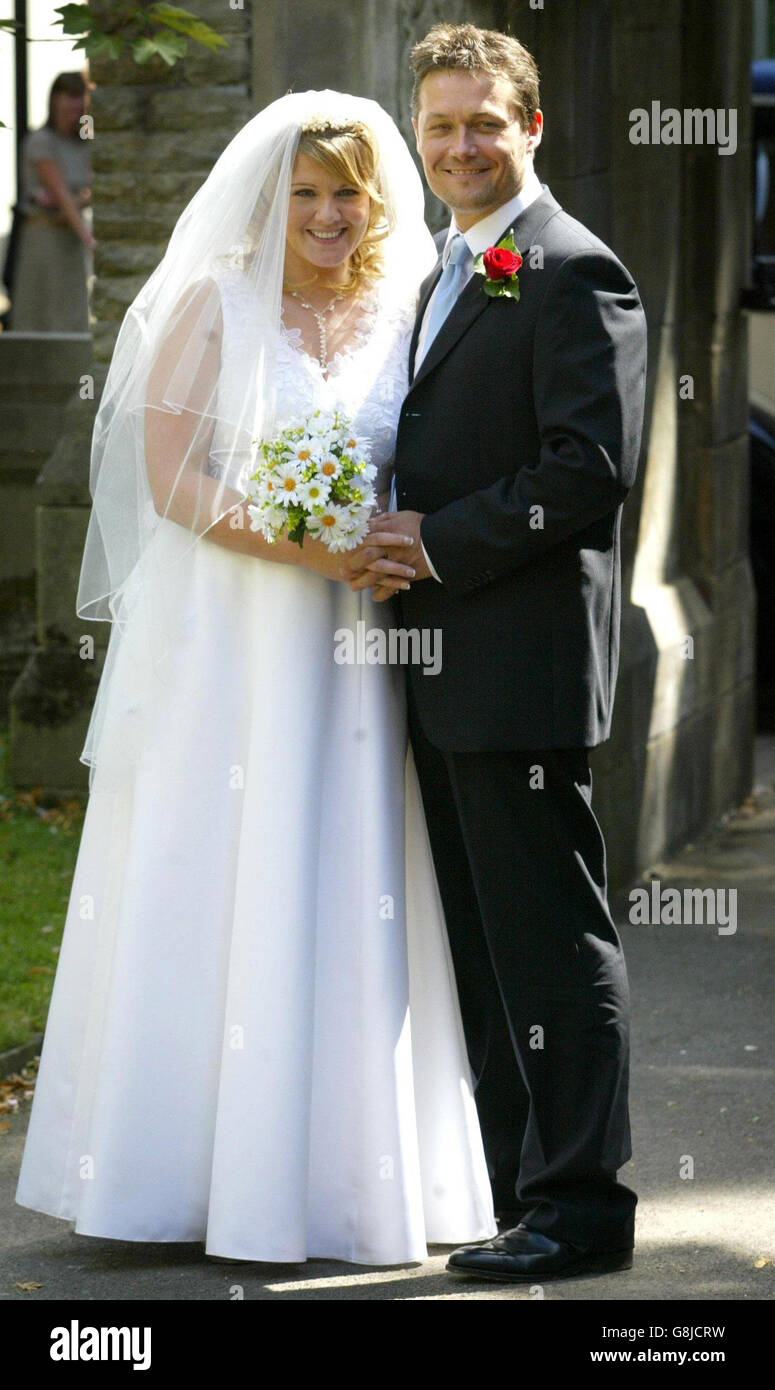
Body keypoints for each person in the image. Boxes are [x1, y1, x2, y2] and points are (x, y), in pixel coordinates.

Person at [14, 90, 498, 1267]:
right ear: (268, 199)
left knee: (351, 869)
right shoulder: (212, 303)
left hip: (361, 649)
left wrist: (384, 542)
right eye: (307, 195)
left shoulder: (409, 309)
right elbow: (172, 477)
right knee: (216, 866)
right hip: (232, 639)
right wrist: (304, 545)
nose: (330, 216)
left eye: (348, 194)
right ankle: (169, 1177)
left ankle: (340, 1179)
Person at [347, 24, 648, 1282]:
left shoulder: (572, 268)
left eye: (483, 123)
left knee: (549, 942)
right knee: (484, 948)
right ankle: (522, 1189)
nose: (459, 145)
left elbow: (586, 470)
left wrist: (429, 543)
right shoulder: (449, 267)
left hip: (516, 665)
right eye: (439, 127)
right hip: (441, 666)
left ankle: (581, 1212)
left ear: (531, 127)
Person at [9, 70, 94, 332]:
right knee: (39, 315)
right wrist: (90, 241)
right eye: (70, 96)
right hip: (43, 241)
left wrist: (75, 202)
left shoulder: (85, 144)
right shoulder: (41, 141)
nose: (76, 104)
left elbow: (89, 190)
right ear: (55, 100)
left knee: (72, 316)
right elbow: (62, 194)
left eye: (80, 97)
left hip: (70, 242)